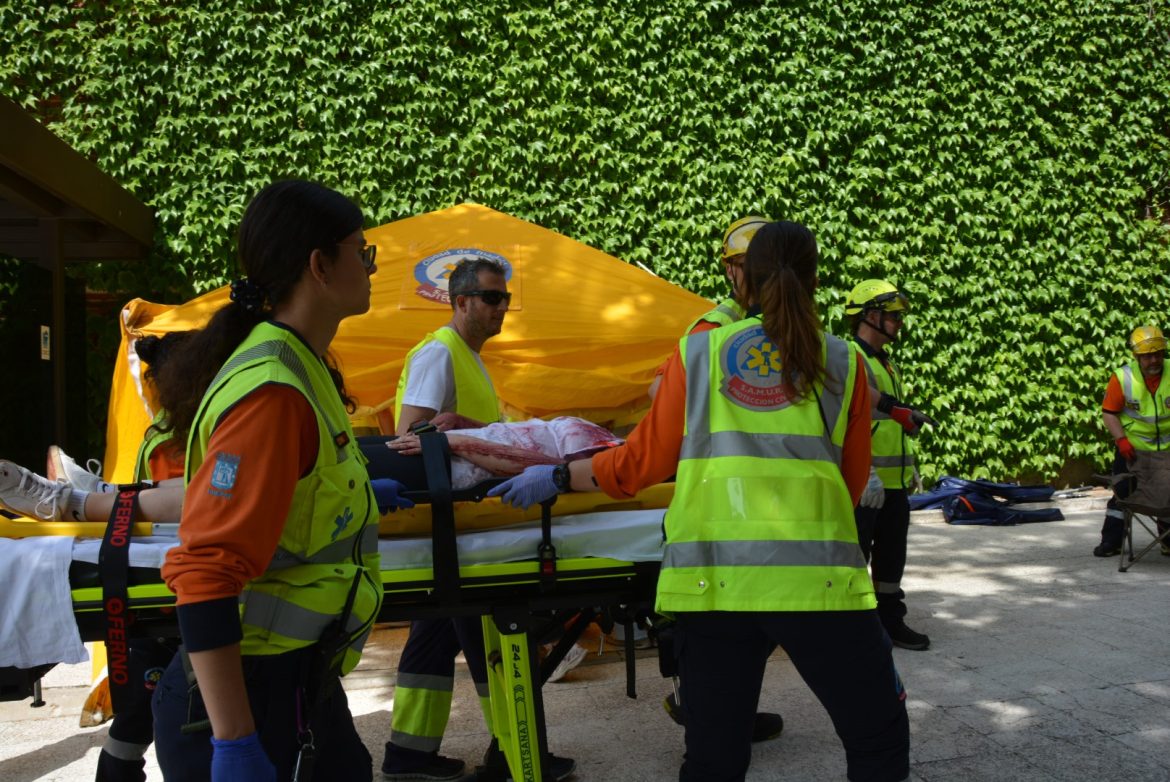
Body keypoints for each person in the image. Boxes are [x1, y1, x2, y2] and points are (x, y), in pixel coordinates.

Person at [489, 221, 910, 782]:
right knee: (879, 741)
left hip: (713, 587)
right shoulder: (844, 362)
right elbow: (851, 485)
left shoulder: (699, 354)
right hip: (820, 586)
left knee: (714, 761)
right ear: (813, 281)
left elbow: (638, 466)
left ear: (744, 278)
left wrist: (560, 476)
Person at [148, 179, 409, 782]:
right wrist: (235, 743)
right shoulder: (272, 391)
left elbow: (299, 492)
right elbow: (205, 572)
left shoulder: (300, 364)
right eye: (362, 252)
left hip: (294, 679)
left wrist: (361, 501)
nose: (370, 267)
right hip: (247, 701)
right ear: (320, 265)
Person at [383, 259, 576, 782]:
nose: (501, 307)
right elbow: (410, 439)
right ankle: (515, 754)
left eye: (505, 298)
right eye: (491, 298)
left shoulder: (465, 356)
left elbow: (461, 434)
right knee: (493, 641)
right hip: (461, 529)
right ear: (461, 301)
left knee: (433, 640)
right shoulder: (438, 353)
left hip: (463, 524)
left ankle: (408, 755)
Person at [647, 215, 787, 742]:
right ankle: (705, 714)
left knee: (749, 620)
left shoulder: (783, 328)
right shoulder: (712, 330)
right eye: (755, 267)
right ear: (733, 272)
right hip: (718, 502)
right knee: (719, 621)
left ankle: (725, 714)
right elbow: (661, 399)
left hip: (759, 503)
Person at [844, 280, 932, 651]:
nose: (899, 322)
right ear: (869, 315)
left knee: (892, 559)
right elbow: (848, 420)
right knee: (855, 558)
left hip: (892, 482)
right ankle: (852, 630)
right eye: (892, 315)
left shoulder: (886, 363)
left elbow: (886, 422)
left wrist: (908, 466)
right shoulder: (850, 358)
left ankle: (890, 621)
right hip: (865, 483)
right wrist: (866, 472)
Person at [1093, 325, 1170, 557]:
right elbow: (1109, 413)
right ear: (1137, 356)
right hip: (1132, 450)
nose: (1153, 360)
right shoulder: (1123, 377)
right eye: (1147, 356)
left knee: (1167, 497)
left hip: (1167, 451)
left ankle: (1167, 541)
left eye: (1157, 354)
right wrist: (1121, 440)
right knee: (1121, 494)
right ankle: (1112, 542)